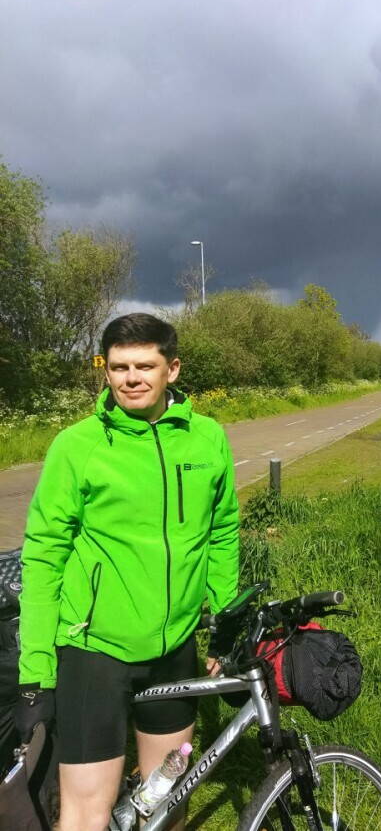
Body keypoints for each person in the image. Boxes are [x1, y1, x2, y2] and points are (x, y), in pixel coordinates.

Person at [13, 313, 240, 831]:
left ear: (172, 369)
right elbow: (43, 556)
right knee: (85, 815)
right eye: (119, 367)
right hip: (94, 651)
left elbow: (222, 533)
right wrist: (36, 675)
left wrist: (225, 624)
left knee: (166, 805)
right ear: (106, 370)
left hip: (175, 648)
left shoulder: (207, 439)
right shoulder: (78, 445)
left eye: (144, 366)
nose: (131, 378)